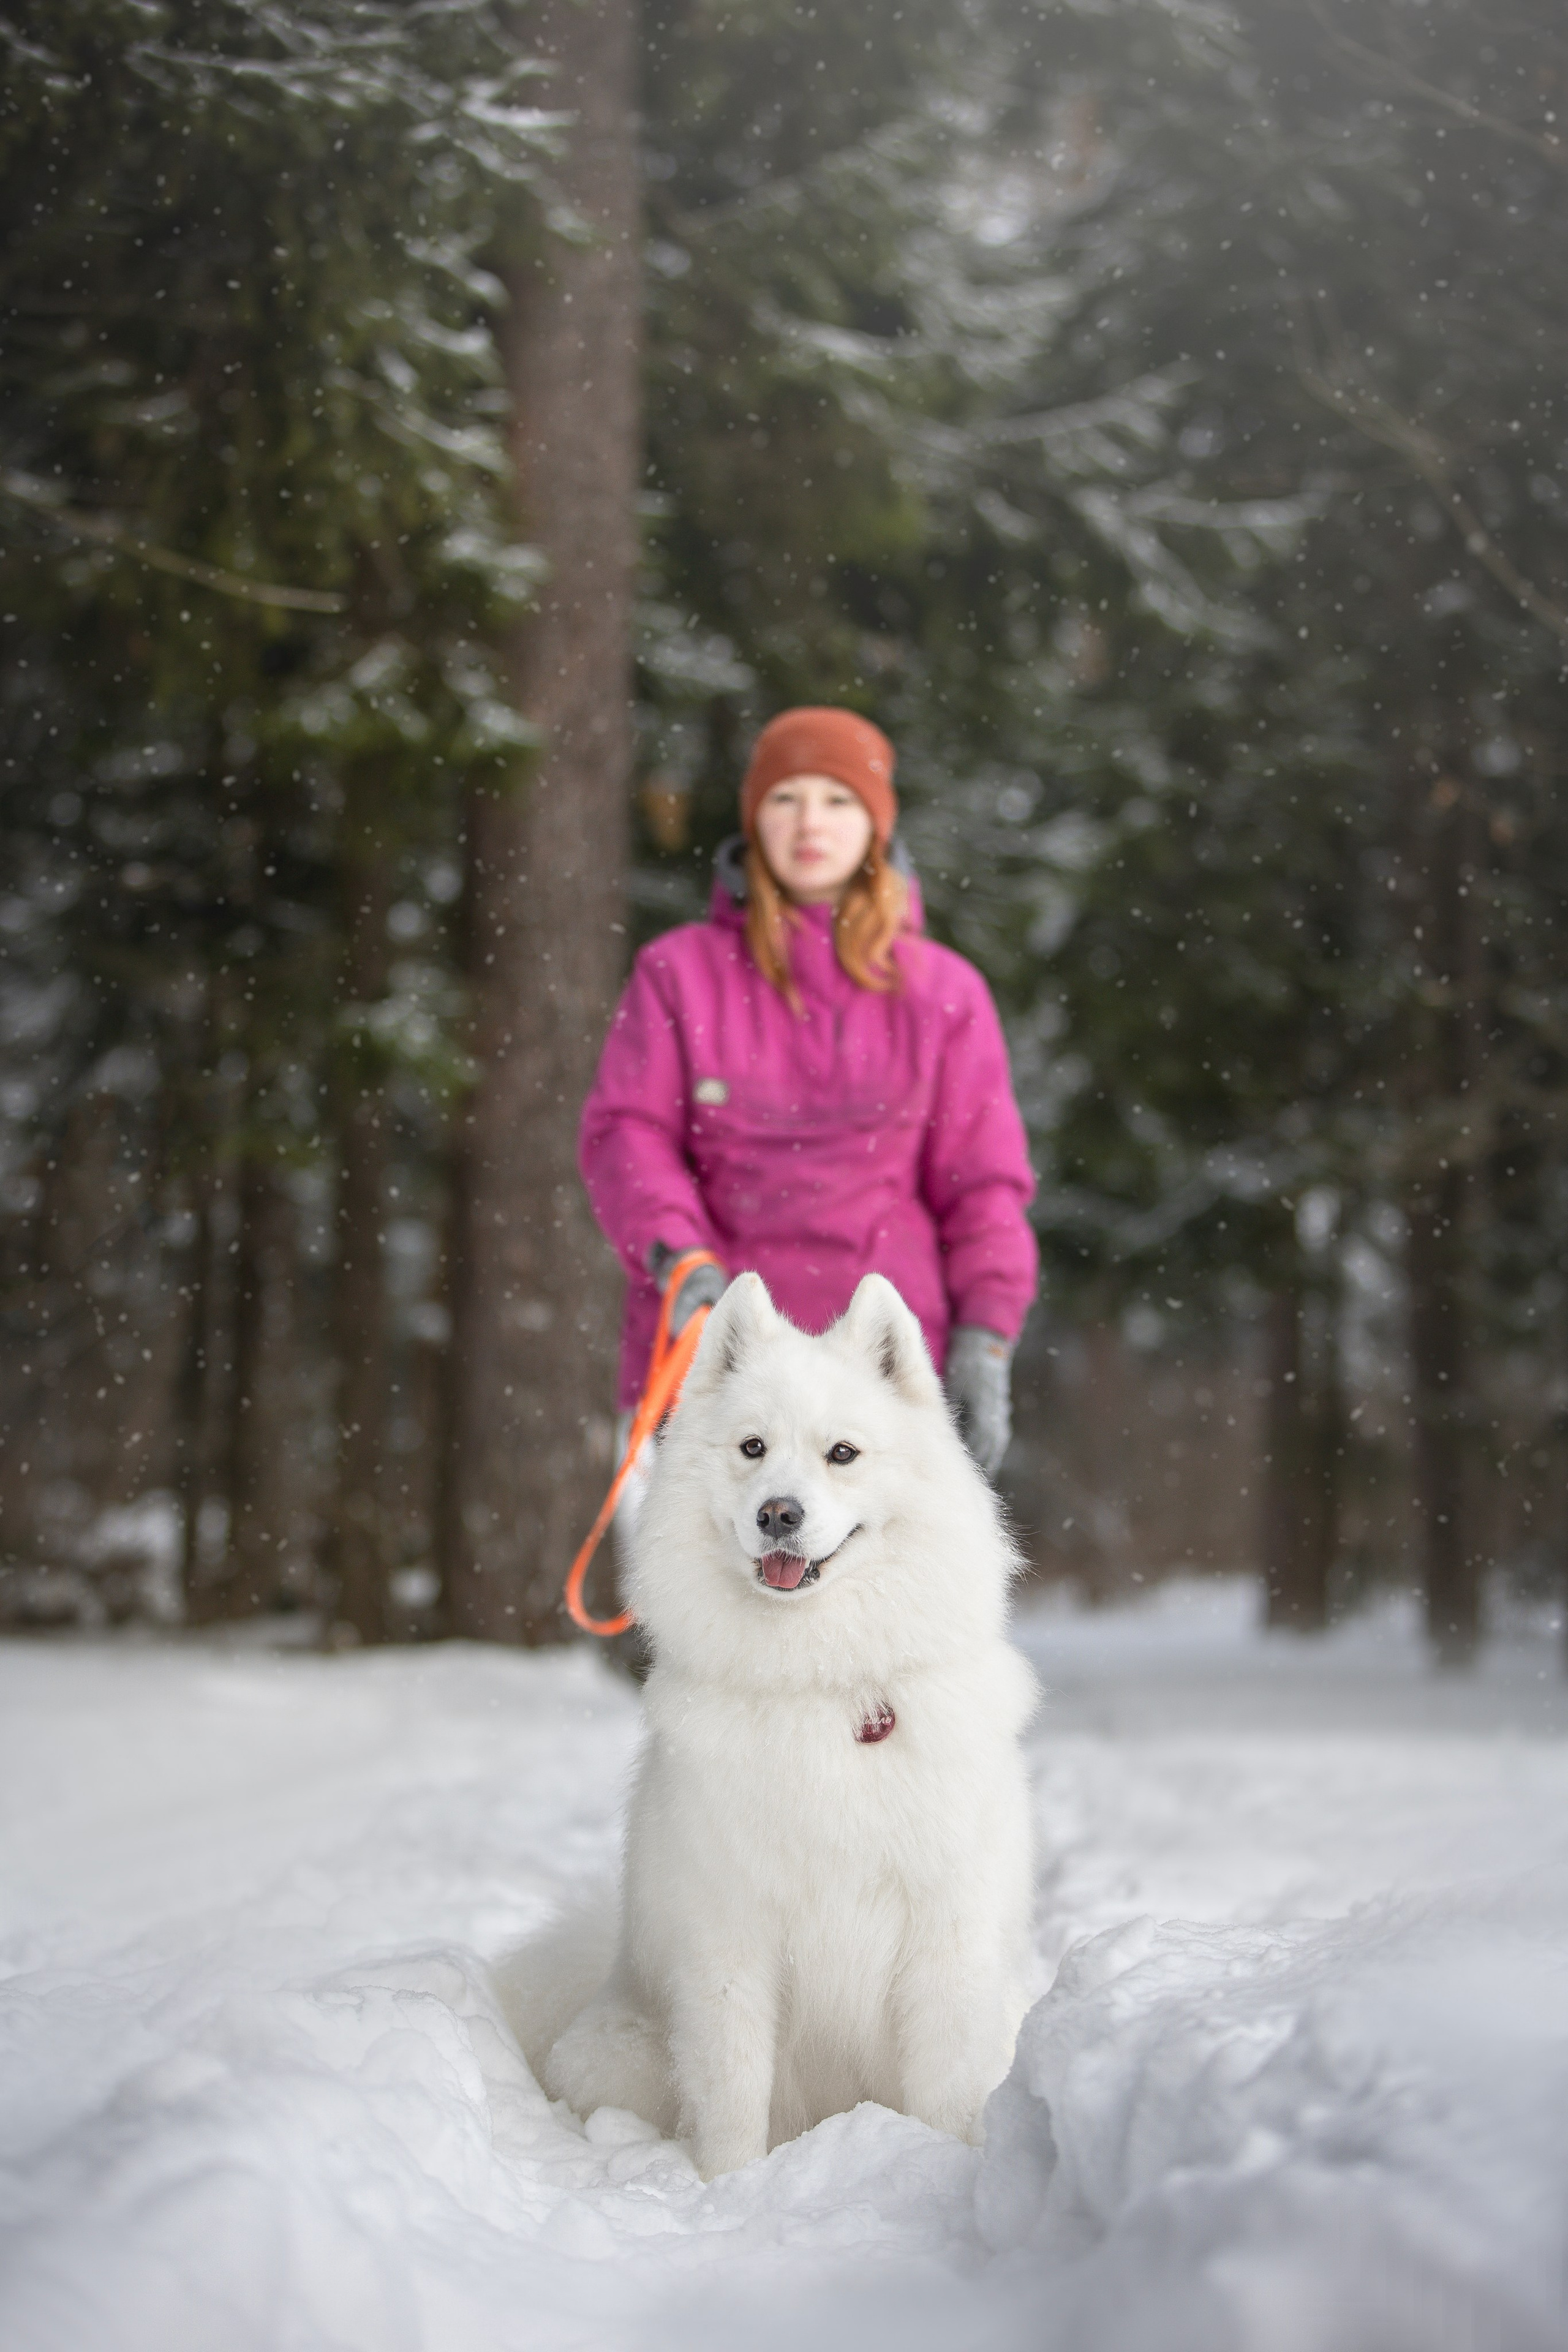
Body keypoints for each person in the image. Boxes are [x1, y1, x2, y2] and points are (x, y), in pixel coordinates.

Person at [579, 704, 1038, 1486]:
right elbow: (628, 1134)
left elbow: (983, 1187)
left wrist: (985, 1337)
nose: (809, 823)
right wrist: (680, 1256)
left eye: (838, 800)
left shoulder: (945, 993)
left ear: (877, 826)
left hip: (881, 1392)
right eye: (785, 798)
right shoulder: (677, 971)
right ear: (754, 820)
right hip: (712, 1380)